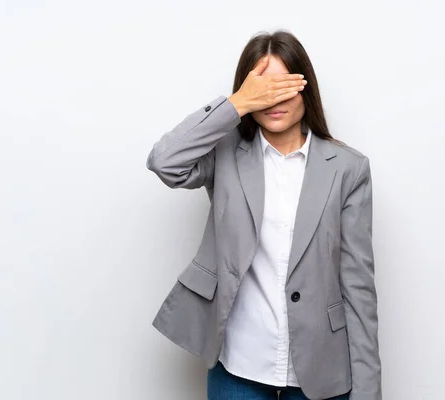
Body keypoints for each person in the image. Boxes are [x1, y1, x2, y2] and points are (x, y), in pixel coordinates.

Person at [146, 30, 381, 400]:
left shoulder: (348, 168)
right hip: (238, 365)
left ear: (306, 88)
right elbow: (164, 163)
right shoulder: (225, 156)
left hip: (320, 369)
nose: (273, 99)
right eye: (261, 88)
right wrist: (235, 104)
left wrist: (368, 391)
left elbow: (358, 287)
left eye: (284, 85)